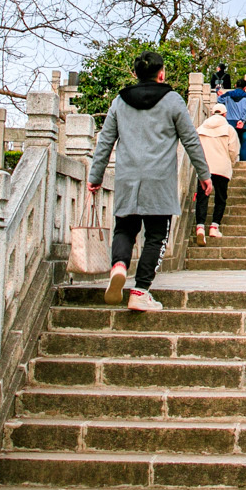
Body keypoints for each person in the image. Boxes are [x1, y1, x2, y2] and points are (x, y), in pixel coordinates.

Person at [87, 49, 210, 313]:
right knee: (156, 236)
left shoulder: (120, 102)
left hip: (127, 179)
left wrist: (95, 177)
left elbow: (105, 142)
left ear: (135, 73)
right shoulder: (173, 100)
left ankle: (119, 266)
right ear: (161, 73)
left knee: (124, 229)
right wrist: (204, 174)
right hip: (159, 181)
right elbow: (191, 139)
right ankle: (140, 291)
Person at [195, 102, 238, 241]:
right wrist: (231, 162)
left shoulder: (200, 128)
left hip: (205, 168)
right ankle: (214, 226)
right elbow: (233, 150)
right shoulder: (229, 129)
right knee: (220, 198)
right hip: (221, 168)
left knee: (202, 197)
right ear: (225, 114)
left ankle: (200, 226)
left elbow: (195, 148)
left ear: (212, 113)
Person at [220, 75, 246, 161]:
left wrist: (219, 93)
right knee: (245, 145)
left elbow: (219, 100)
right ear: (245, 88)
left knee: (231, 145)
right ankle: (244, 163)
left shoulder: (228, 95)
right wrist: (242, 120)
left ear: (235, 85)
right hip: (245, 126)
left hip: (231, 125)